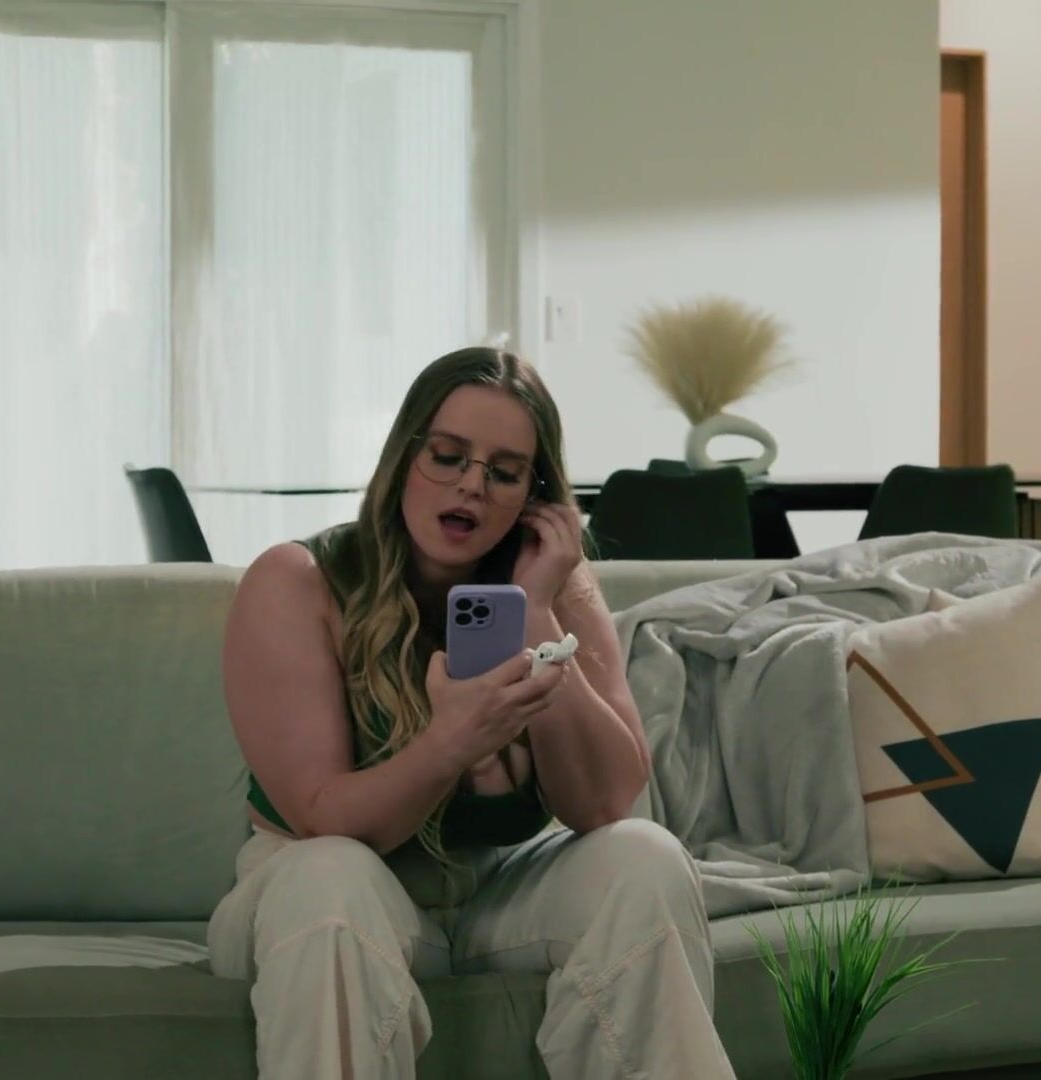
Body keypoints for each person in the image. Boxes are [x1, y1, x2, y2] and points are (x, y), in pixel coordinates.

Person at [207, 347, 735, 1079]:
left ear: (534, 494)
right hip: (311, 893)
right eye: (448, 456)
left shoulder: (556, 586)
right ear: (404, 456)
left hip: (494, 894)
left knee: (645, 856)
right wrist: (450, 743)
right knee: (329, 876)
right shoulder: (300, 581)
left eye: (505, 472)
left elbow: (605, 803)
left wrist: (538, 612)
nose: (471, 486)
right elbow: (322, 817)